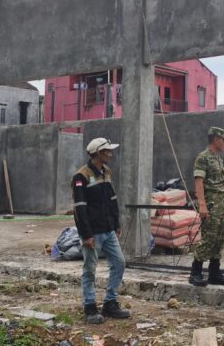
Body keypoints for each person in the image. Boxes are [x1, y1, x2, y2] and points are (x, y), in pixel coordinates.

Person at [72, 137, 131, 324]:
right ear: (98, 153)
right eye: (107, 151)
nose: (110, 154)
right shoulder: (81, 176)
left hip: (108, 230)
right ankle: (90, 308)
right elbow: (80, 208)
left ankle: (110, 304)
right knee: (90, 270)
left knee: (119, 263)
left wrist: (116, 223)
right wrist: (86, 234)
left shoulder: (107, 172)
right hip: (92, 232)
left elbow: (112, 199)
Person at [188, 127, 224, 287]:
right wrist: (202, 205)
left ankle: (214, 273)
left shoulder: (218, 159)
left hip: (221, 204)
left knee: (220, 237)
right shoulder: (203, 158)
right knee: (209, 237)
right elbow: (198, 181)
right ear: (216, 139)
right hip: (211, 204)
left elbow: (221, 180)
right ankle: (196, 272)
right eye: (223, 140)